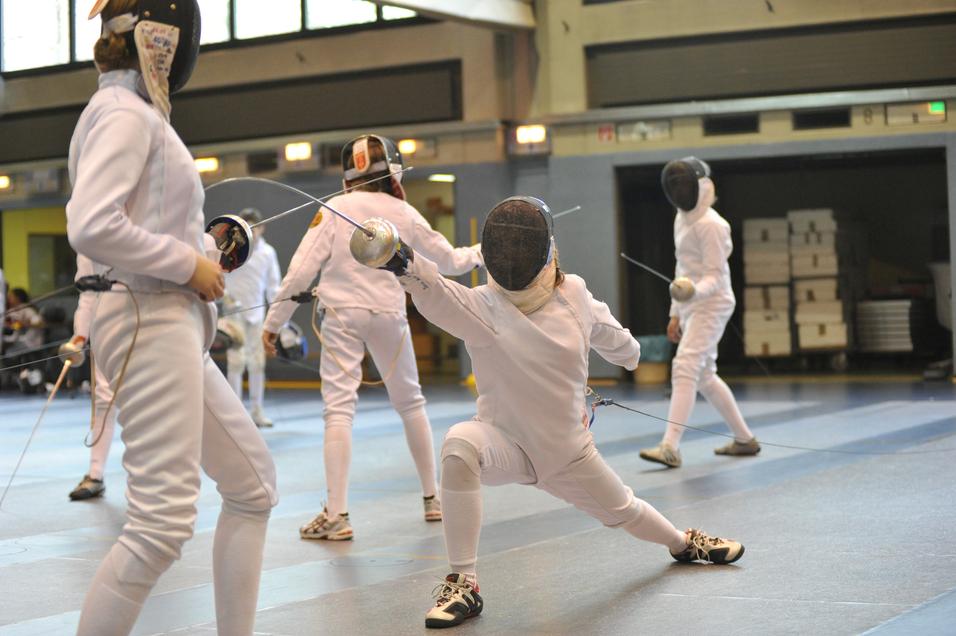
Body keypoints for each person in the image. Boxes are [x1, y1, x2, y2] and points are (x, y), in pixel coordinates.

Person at [353, 196, 745, 629]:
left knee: (625, 510)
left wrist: (625, 349)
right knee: (459, 446)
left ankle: (684, 544)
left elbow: (625, 349)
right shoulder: (482, 306)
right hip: (505, 443)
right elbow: (434, 289)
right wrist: (401, 260)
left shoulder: (573, 294)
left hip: (567, 453)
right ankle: (464, 583)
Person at [65, 2, 276, 634]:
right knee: (159, 526)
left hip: (164, 320)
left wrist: (208, 250)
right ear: (165, 40)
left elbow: (146, 223)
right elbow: (92, 224)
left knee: (253, 487)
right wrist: (188, 265)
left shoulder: (130, 110)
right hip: (148, 318)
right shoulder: (123, 114)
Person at [263, 134, 482, 540]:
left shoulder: (335, 207)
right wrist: (480, 252)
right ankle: (433, 498)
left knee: (338, 411)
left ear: (348, 173)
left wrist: (274, 323)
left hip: (341, 315)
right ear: (394, 170)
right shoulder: (404, 211)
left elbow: (299, 272)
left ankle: (337, 515)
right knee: (411, 402)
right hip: (388, 315)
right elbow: (450, 260)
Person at [639, 157, 760, 468]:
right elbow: (682, 268)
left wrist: (692, 292)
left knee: (685, 366)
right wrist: (676, 312)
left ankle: (670, 447)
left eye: (684, 184)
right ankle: (745, 440)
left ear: (702, 186)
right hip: (692, 303)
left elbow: (715, 276)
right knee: (704, 376)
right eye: (675, 185)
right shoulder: (682, 219)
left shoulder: (713, 225)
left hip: (714, 302)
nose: (679, 190)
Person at [223, 208, 282, 428]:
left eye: (256, 226)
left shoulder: (268, 253)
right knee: (236, 362)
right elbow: (219, 274)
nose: (253, 230)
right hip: (234, 313)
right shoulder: (230, 249)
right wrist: (226, 298)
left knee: (257, 363)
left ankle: (257, 412)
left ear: (262, 227)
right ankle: (236, 415)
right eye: (248, 225)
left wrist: (279, 320)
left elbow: (274, 287)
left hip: (257, 315)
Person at [67, 255, 117, 501]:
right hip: (106, 330)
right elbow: (87, 294)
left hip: (153, 325)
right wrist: (79, 337)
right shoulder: (87, 240)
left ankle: (156, 477)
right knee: (104, 400)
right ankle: (95, 474)